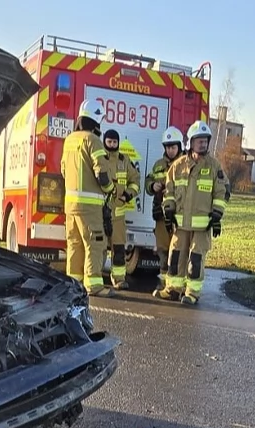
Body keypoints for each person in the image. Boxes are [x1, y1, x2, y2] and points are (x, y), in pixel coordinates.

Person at [155, 120, 227, 306]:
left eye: (205, 141)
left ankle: (192, 293)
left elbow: (222, 191)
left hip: (203, 226)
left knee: (195, 259)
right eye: (199, 141)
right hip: (181, 224)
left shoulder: (214, 166)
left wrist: (217, 215)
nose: (203, 144)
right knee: (175, 257)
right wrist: (168, 208)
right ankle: (173, 289)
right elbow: (168, 190)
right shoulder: (178, 166)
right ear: (191, 142)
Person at [60, 100, 115, 296]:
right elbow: (102, 173)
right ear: (96, 121)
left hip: (70, 204)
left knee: (74, 243)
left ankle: (74, 284)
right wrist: (110, 188)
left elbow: (63, 170)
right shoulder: (93, 140)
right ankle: (94, 285)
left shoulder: (69, 140)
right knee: (95, 243)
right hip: (90, 206)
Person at [101, 129, 140, 289]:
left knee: (118, 249)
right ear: (104, 141)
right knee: (99, 248)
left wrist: (128, 195)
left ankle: (118, 279)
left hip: (118, 216)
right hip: (100, 214)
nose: (112, 145)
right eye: (109, 142)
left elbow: (135, 180)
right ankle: (95, 278)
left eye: (114, 142)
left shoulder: (124, 161)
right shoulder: (99, 158)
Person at [145, 126, 185, 287]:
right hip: (161, 215)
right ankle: (163, 284)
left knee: (178, 250)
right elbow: (148, 181)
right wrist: (152, 185)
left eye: (173, 147)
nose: (170, 150)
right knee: (162, 249)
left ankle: (177, 284)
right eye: (168, 147)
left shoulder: (186, 164)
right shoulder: (159, 165)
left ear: (179, 147)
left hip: (179, 216)